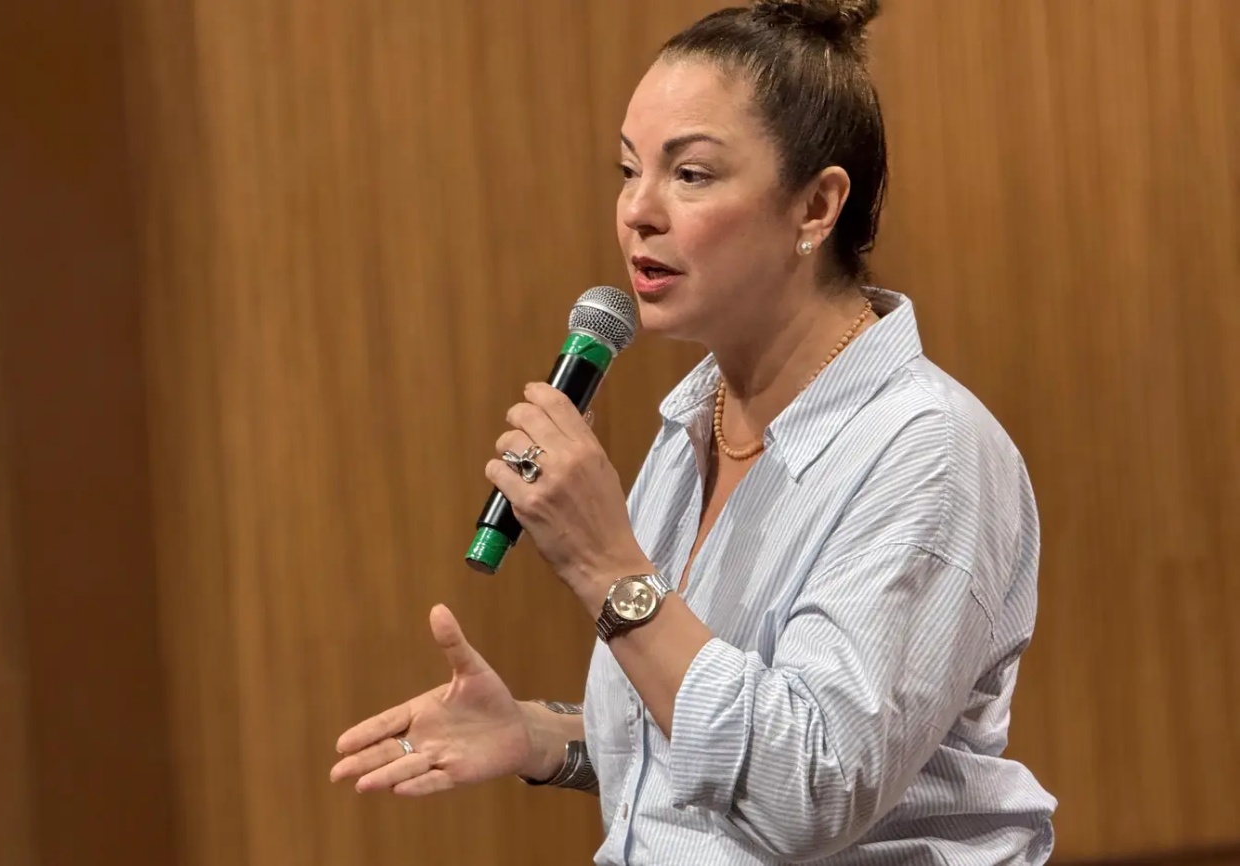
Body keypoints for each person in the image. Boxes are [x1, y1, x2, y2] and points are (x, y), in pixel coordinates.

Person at [330, 0, 1057, 862]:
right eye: (628, 169)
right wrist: (542, 737)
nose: (638, 210)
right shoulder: (698, 418)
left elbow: (811, 788)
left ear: (816, 206)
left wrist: (607, 567)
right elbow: (714, 741)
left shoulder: (927, 450)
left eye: (692, 174)